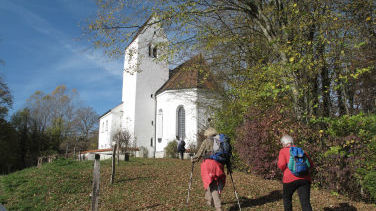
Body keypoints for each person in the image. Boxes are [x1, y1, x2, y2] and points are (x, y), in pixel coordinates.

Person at [191, 127, 226, 211]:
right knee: (216, 183)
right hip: (219, 164)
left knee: (212, 185)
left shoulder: (206, 141)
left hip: (208, 165)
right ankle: (209, 200)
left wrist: (193, 159)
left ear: (207, 134)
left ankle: (218, 207)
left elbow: (199, 154)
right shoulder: (218, 141)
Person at [277, 134, 313, 211]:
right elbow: (310, 164)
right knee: (305, 202)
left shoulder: (283, 151)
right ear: (292, 142)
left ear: (283, 143)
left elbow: (281, 165)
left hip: (289, 179)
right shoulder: (301, 150)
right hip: (305, 178)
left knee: (287, 199)